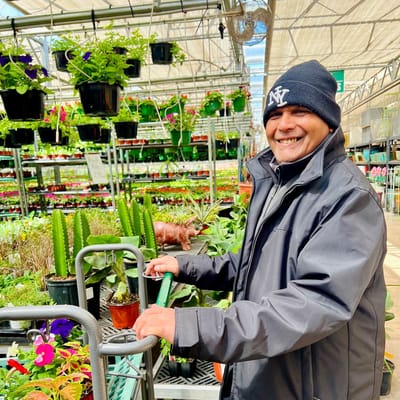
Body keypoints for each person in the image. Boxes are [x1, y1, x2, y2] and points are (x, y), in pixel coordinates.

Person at [133, 60, 387, 400]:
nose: (283, 125)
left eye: (300, 111)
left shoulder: (347, 198)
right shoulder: (278, 181)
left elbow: (314, 302)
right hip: (274, 373)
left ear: (328, 122)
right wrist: (188, 266)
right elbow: (256, 263)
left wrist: (192, 326)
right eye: (274, 114)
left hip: (313, 385)